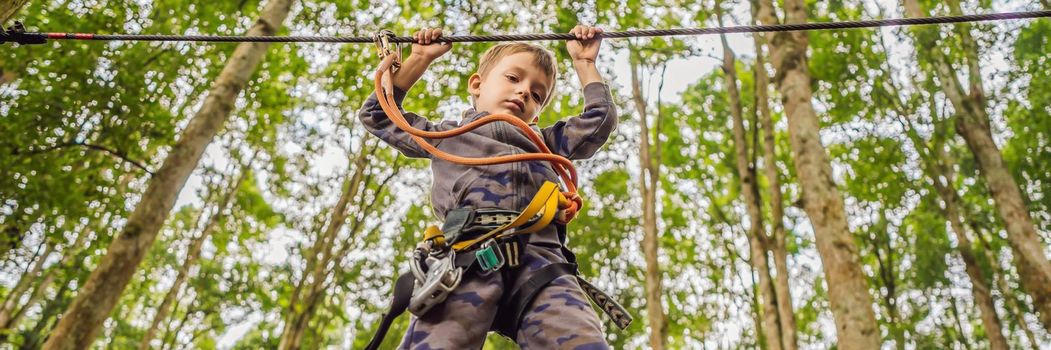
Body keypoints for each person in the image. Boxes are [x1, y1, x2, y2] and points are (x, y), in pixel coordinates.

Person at [359, 25, 618, 349]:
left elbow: (599, 119)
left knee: (582, 341)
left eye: (537, 94)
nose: (524, 91)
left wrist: (584, 63)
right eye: (513, 78)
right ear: (477, 85)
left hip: (542, 262)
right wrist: (418, 60)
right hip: (468, 254)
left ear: (537, 114)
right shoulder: (448, 135)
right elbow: (379, 116)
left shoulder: (544, 142)